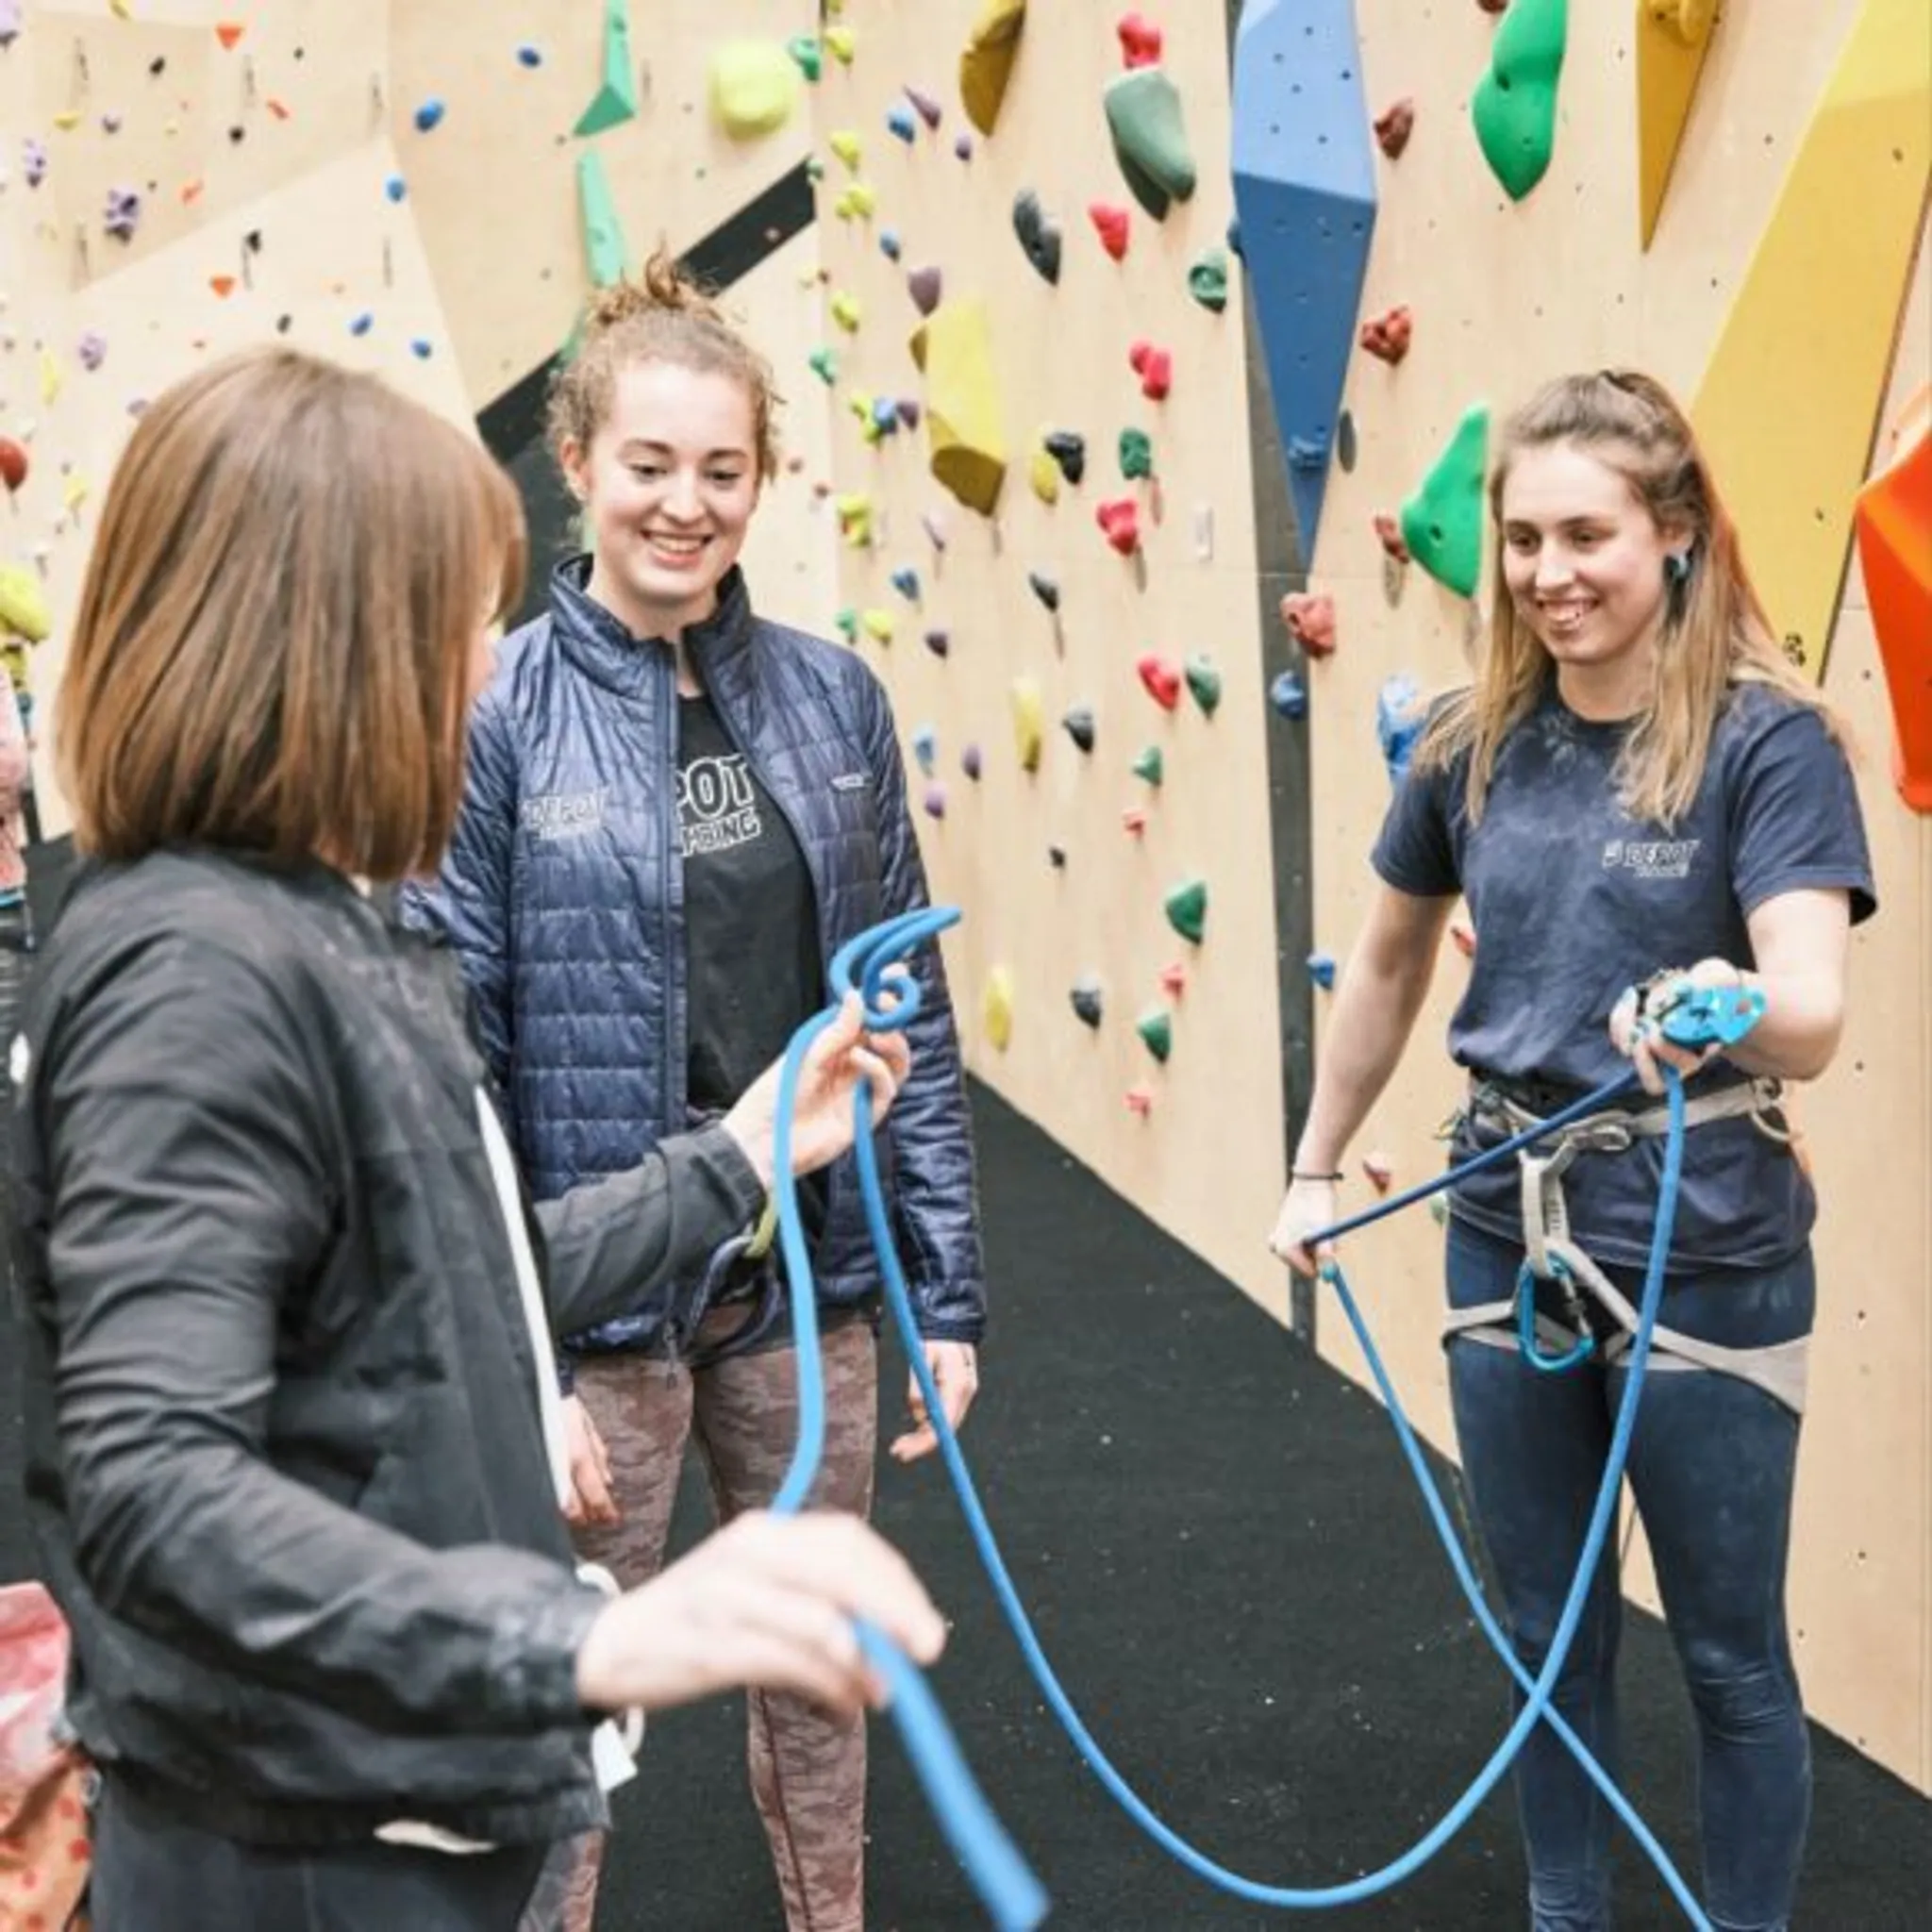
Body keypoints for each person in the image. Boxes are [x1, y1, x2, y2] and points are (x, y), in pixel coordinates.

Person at [10, 344, 949, 1932]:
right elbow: (156, 1489)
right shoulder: (198, 976)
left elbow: (456, 1282)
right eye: (451, 627)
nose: (477, 673)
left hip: (376, 1810)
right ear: (331, 648)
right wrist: (575, 1644)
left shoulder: (318, 935)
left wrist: (738, 1152)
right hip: (305, 1849)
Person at [404, 248, 987, 1932]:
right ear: (575, 465)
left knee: (820, 1682)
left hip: (805, 1292)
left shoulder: (829, 699)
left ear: (763, 481)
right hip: (600, 1321)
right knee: (569, 1721)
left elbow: (905, 1007)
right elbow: (456, 1060)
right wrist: (526, 1366)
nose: (684, 504)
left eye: (720, 471)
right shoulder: (493, 712)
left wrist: (940, 1288)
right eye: (648, 466)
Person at [1269, 370, 1874, 1932]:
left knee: (1730, 1653)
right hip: (1506, 1228)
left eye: (1589, 533)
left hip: (1706, 1236)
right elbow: (1392, 966)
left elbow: (1809, 1015)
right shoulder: (1471, 745)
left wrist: (1725, 1001)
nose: (1551, 572)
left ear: (1674, 532)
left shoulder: (1770, 744)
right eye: (1524, 537)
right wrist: (1315, 1166)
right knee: (1547, 1639)